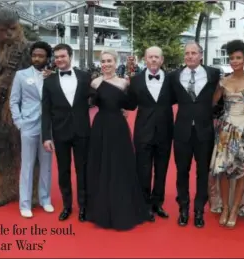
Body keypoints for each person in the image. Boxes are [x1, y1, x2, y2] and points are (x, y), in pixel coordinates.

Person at [86, 49, 149, 230]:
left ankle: (122, 204)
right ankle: (100, 207)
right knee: (101, 164)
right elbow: (90, 103)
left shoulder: (123, 83)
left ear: (116, 62)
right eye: (103, 61)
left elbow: (130, 105)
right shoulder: (95, 83)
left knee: (119, 165)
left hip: (119, 127)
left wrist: (129, 92)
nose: (106, 64)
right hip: (100, 126)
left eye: (109, 61)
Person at [0, 7, 41, 208]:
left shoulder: (30, 50)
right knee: (3, 152)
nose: (9, 34)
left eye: (12, 29)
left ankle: (33, 193)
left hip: (25, 110)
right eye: (3, 29)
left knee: (29, 153)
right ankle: (6, 190)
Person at [209, 40, 244, 228]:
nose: (235, 61)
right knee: (224, 171)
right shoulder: (223, 81)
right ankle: (224, 207)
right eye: (232, 58)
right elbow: (211, 103)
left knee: (241, 171)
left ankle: (235, 208)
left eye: (238, 58)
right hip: (225, 130)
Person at [171, 41, 220, 228]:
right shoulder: (174, 76)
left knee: (202, 173)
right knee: (182, 172)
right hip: (182, 132)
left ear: (201, 55)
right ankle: (183, 208)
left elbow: (220, 97)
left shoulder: (213, 74)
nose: (190, 56)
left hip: (204, 132)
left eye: (193, 53)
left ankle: (199, 209)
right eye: (187, 53)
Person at [41, 44, 90, 222]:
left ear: (70, 56)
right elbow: (45, 110)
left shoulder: (85, 77)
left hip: (82, 131)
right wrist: (46, 136)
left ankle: (84, 206)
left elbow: (97, 96)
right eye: (57, 57)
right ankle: (67, 206)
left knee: (83, 170)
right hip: (60, 132)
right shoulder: (49, 82)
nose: (59, 60)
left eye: (63, 56)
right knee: (63, 171)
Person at [127, 46, 174, 221]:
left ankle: (157, 203)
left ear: (162, 60)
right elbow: (130, 104)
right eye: (150, 57)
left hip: (165, 132)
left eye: (157, 57)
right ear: (145, 59)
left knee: (161, 170)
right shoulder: (136, 80)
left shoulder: (171, 80)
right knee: (143, 171)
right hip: (143, 133)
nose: (153, 60)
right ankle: (144, 204)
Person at [10, 41, 54, 218]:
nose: (37, 58)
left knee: (47, 165)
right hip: (28, 125)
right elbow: (14, 101)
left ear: (47, 58)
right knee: (27, 165)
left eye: (41, 56)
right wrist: (19, 122)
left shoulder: (52, 76)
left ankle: (45, 199)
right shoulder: (21, 75)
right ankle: (25, 203)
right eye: (34, 55)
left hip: (48, 126)